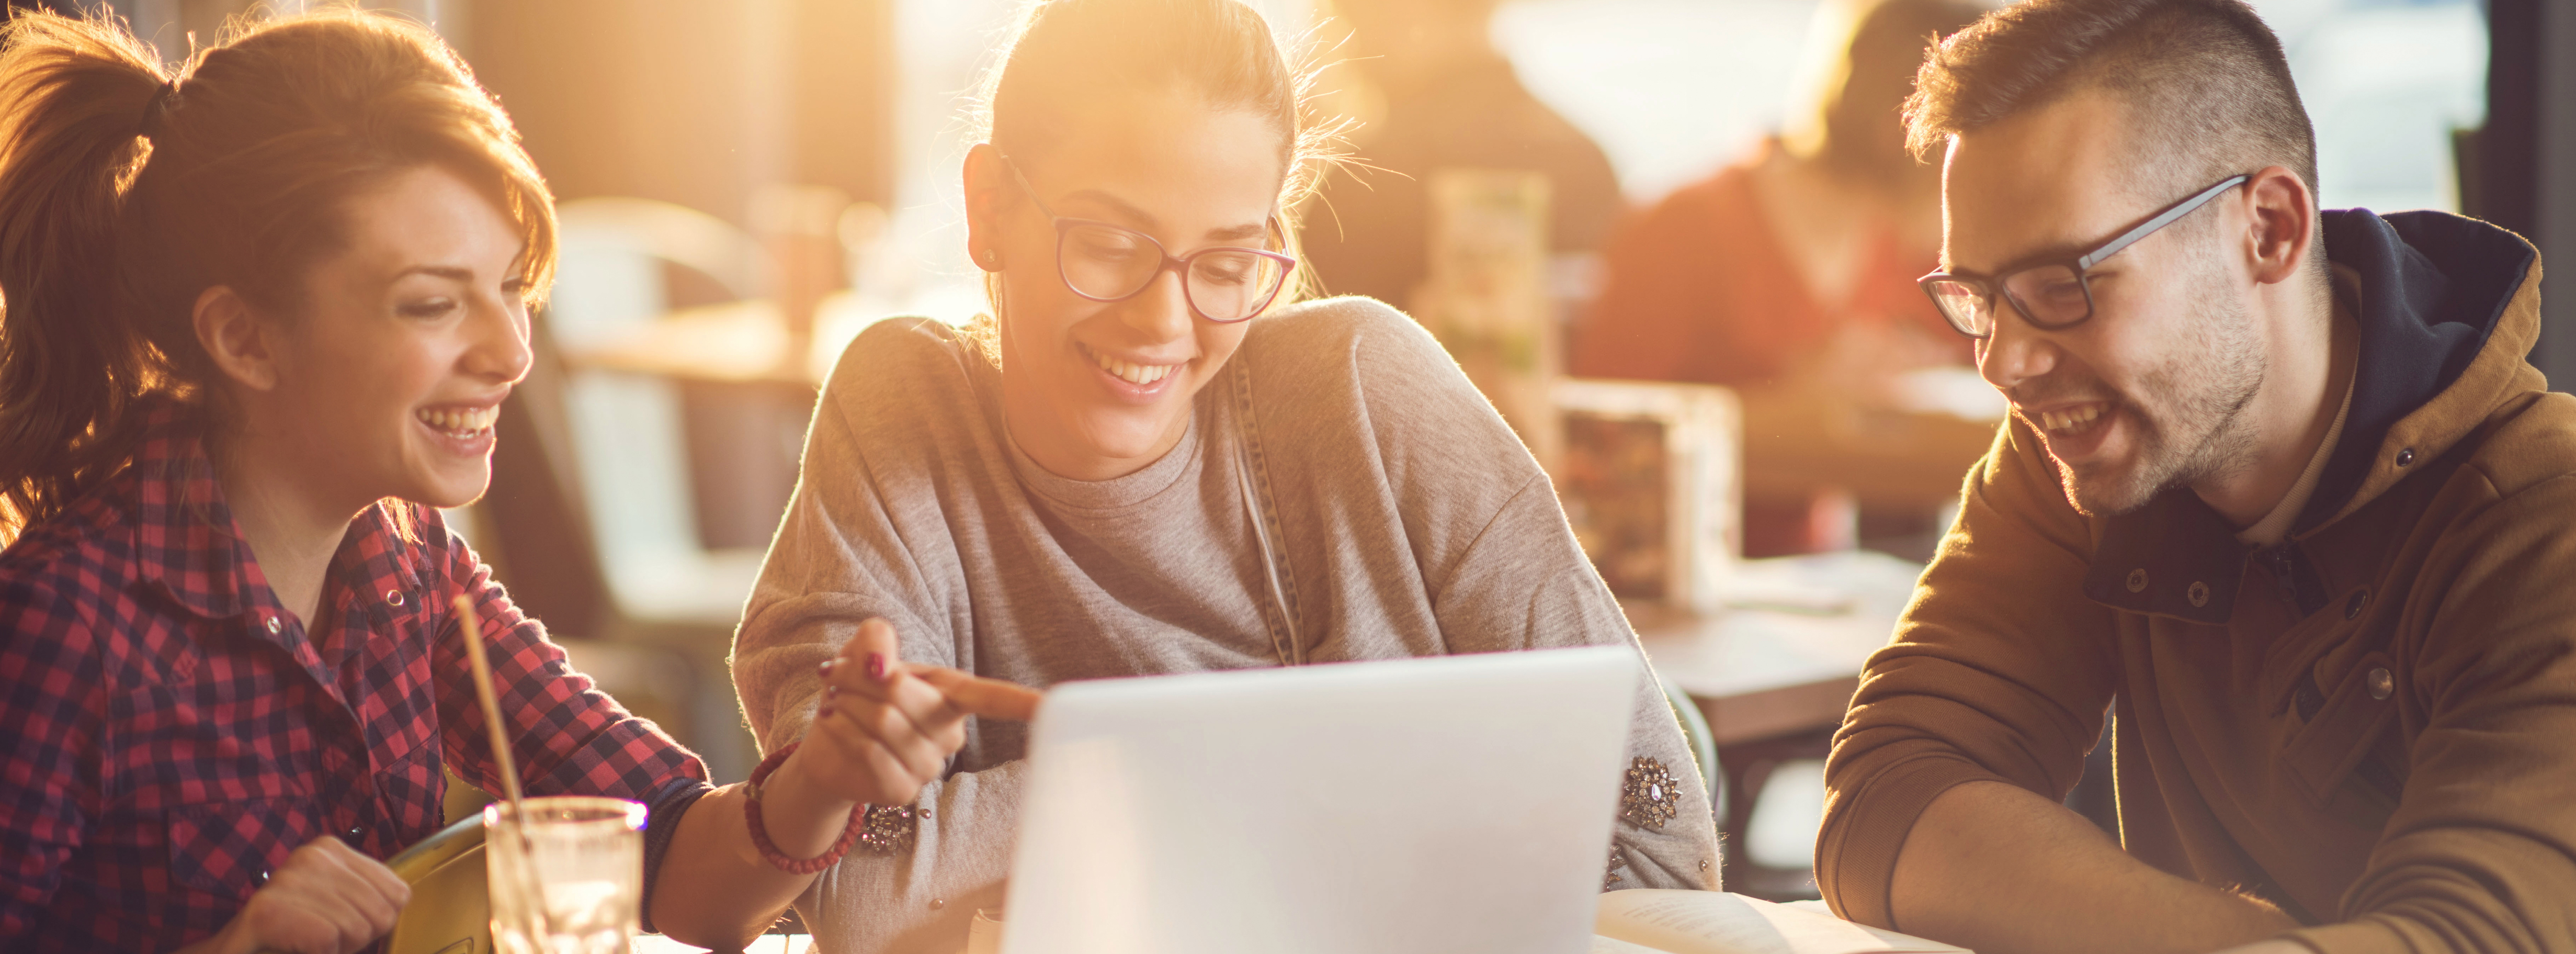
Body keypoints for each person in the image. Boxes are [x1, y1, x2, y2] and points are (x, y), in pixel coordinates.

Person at [0, 12, 1035, 954]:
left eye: (510, 288)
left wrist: (823, 775)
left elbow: (675, 864)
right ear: (244, 336)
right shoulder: (64, 620)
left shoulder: (410, 568)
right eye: (430, 304)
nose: (509, 353)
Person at [730, 0, 1721, 950]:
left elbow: (1655, 830)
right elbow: (858, 891)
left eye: (1226, 264)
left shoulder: (1370, 390)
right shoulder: (905, 405)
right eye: (1110, 245)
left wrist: (1083, 798)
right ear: (989, 208)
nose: (1164, 323)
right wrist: (1301, 781)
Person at [1816, 1, 2576, 952]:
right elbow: (1886, 798)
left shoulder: (2542, 522)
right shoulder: (2086, 454)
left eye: (2063, 284)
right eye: (1979, 297)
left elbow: (2478, 935)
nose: (2004, 364)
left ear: (2267, 229)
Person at [1571, 0, 1987, 557]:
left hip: (1815, 573)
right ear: (1910, 126)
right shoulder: (1685, 226)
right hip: (1684, 575)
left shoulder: (1903, 247)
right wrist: (1789, 399)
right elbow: (1600, 444)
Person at [1295, 0, 1622, 307]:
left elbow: (1305, 348)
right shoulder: (1588, 160)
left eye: (1349, 17)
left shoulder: (1370, 178)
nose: (1346, 50)